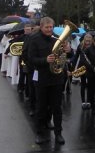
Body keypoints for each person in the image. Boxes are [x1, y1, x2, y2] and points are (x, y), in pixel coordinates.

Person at [28, 17, 72, 145]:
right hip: (42, 78)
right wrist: (45, 60)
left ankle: (58, 133)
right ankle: (39, 133)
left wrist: (68, 51)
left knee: (57, 107)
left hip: (57, 78)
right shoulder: (34, 40)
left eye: (51, 27)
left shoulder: (57, 39)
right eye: (46, 27)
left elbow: (67, 55)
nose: (49, 29)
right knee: (41, 107)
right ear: (41, 27)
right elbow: (31, 59)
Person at [72, 33, 95, 111]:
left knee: (90, 85)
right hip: (82, 67)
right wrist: (73, 68)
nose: (88, 41)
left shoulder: (93, 47)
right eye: (86, 40)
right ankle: (83, 101)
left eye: (89, 40)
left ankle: (89, 101)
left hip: (90, 68)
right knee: (82, 84)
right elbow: (76, 57)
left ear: (91, 40)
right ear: (84, 39)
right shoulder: (80, 46)